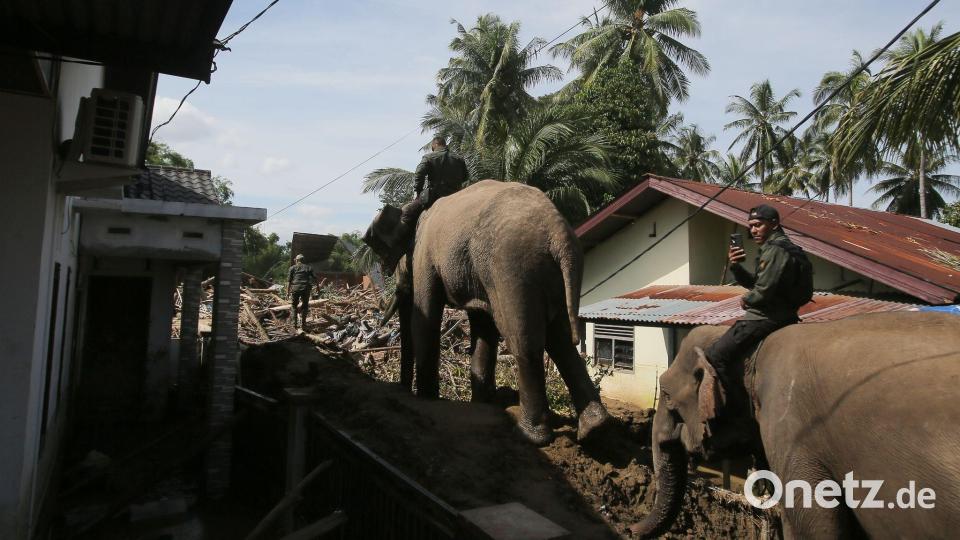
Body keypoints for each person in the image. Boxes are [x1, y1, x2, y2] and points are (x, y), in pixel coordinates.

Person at [705, 204, 812, 406]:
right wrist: (736, 267)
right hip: (784, 314)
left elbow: (762, 291)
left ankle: (737, 407)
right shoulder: (784, 248)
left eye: (758, 225)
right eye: (751, 226)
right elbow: (759, 283)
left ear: (774, 224)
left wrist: (747, 299)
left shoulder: (775, 250)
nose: (753, 230)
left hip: (765, 318)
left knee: (715, 355)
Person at [382, 136, 469, 271]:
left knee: (406, 214)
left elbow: (419, 175)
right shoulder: (458, 159)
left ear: (434, 146)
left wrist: (418, 192)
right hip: (457, 196)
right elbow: (465, 177)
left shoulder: (429, 157)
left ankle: (393, 258)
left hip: (436, 197)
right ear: (445, 145)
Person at [287, 254, 317, 329]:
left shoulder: (292, 268)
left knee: (294, 306)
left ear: (297, 260)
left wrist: (287, 292)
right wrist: (318, 289)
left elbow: (289, 281)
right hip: (306, 288)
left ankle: (294, 325)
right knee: (305, 305)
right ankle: (303, 324)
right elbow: (315, 278)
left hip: (295, 288)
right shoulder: (308, 267)